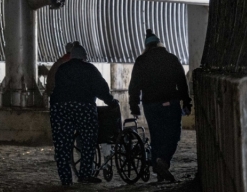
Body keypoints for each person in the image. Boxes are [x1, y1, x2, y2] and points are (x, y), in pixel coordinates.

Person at [128, 29, 190, 183]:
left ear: (147, 46)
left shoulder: (141, 61)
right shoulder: (171, 58)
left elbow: (134, 85)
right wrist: (186, 101)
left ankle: (158, 166)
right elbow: (182, 82)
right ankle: (163, 161)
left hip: (151, 104)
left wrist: (134, 105)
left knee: (156, 135)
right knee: (173, 134)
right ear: (160, 43)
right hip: (171, 102)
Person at [49, 42, 116, 186]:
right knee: (88, 142)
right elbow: (101, 88)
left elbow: (52, 87)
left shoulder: (62, 69)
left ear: (71, 56)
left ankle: (66, 180)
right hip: (84, 107)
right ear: (84, 57)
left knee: (62, 145)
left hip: (60, 107)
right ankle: (85, 175)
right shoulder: (90, 69)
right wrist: (110, 101)